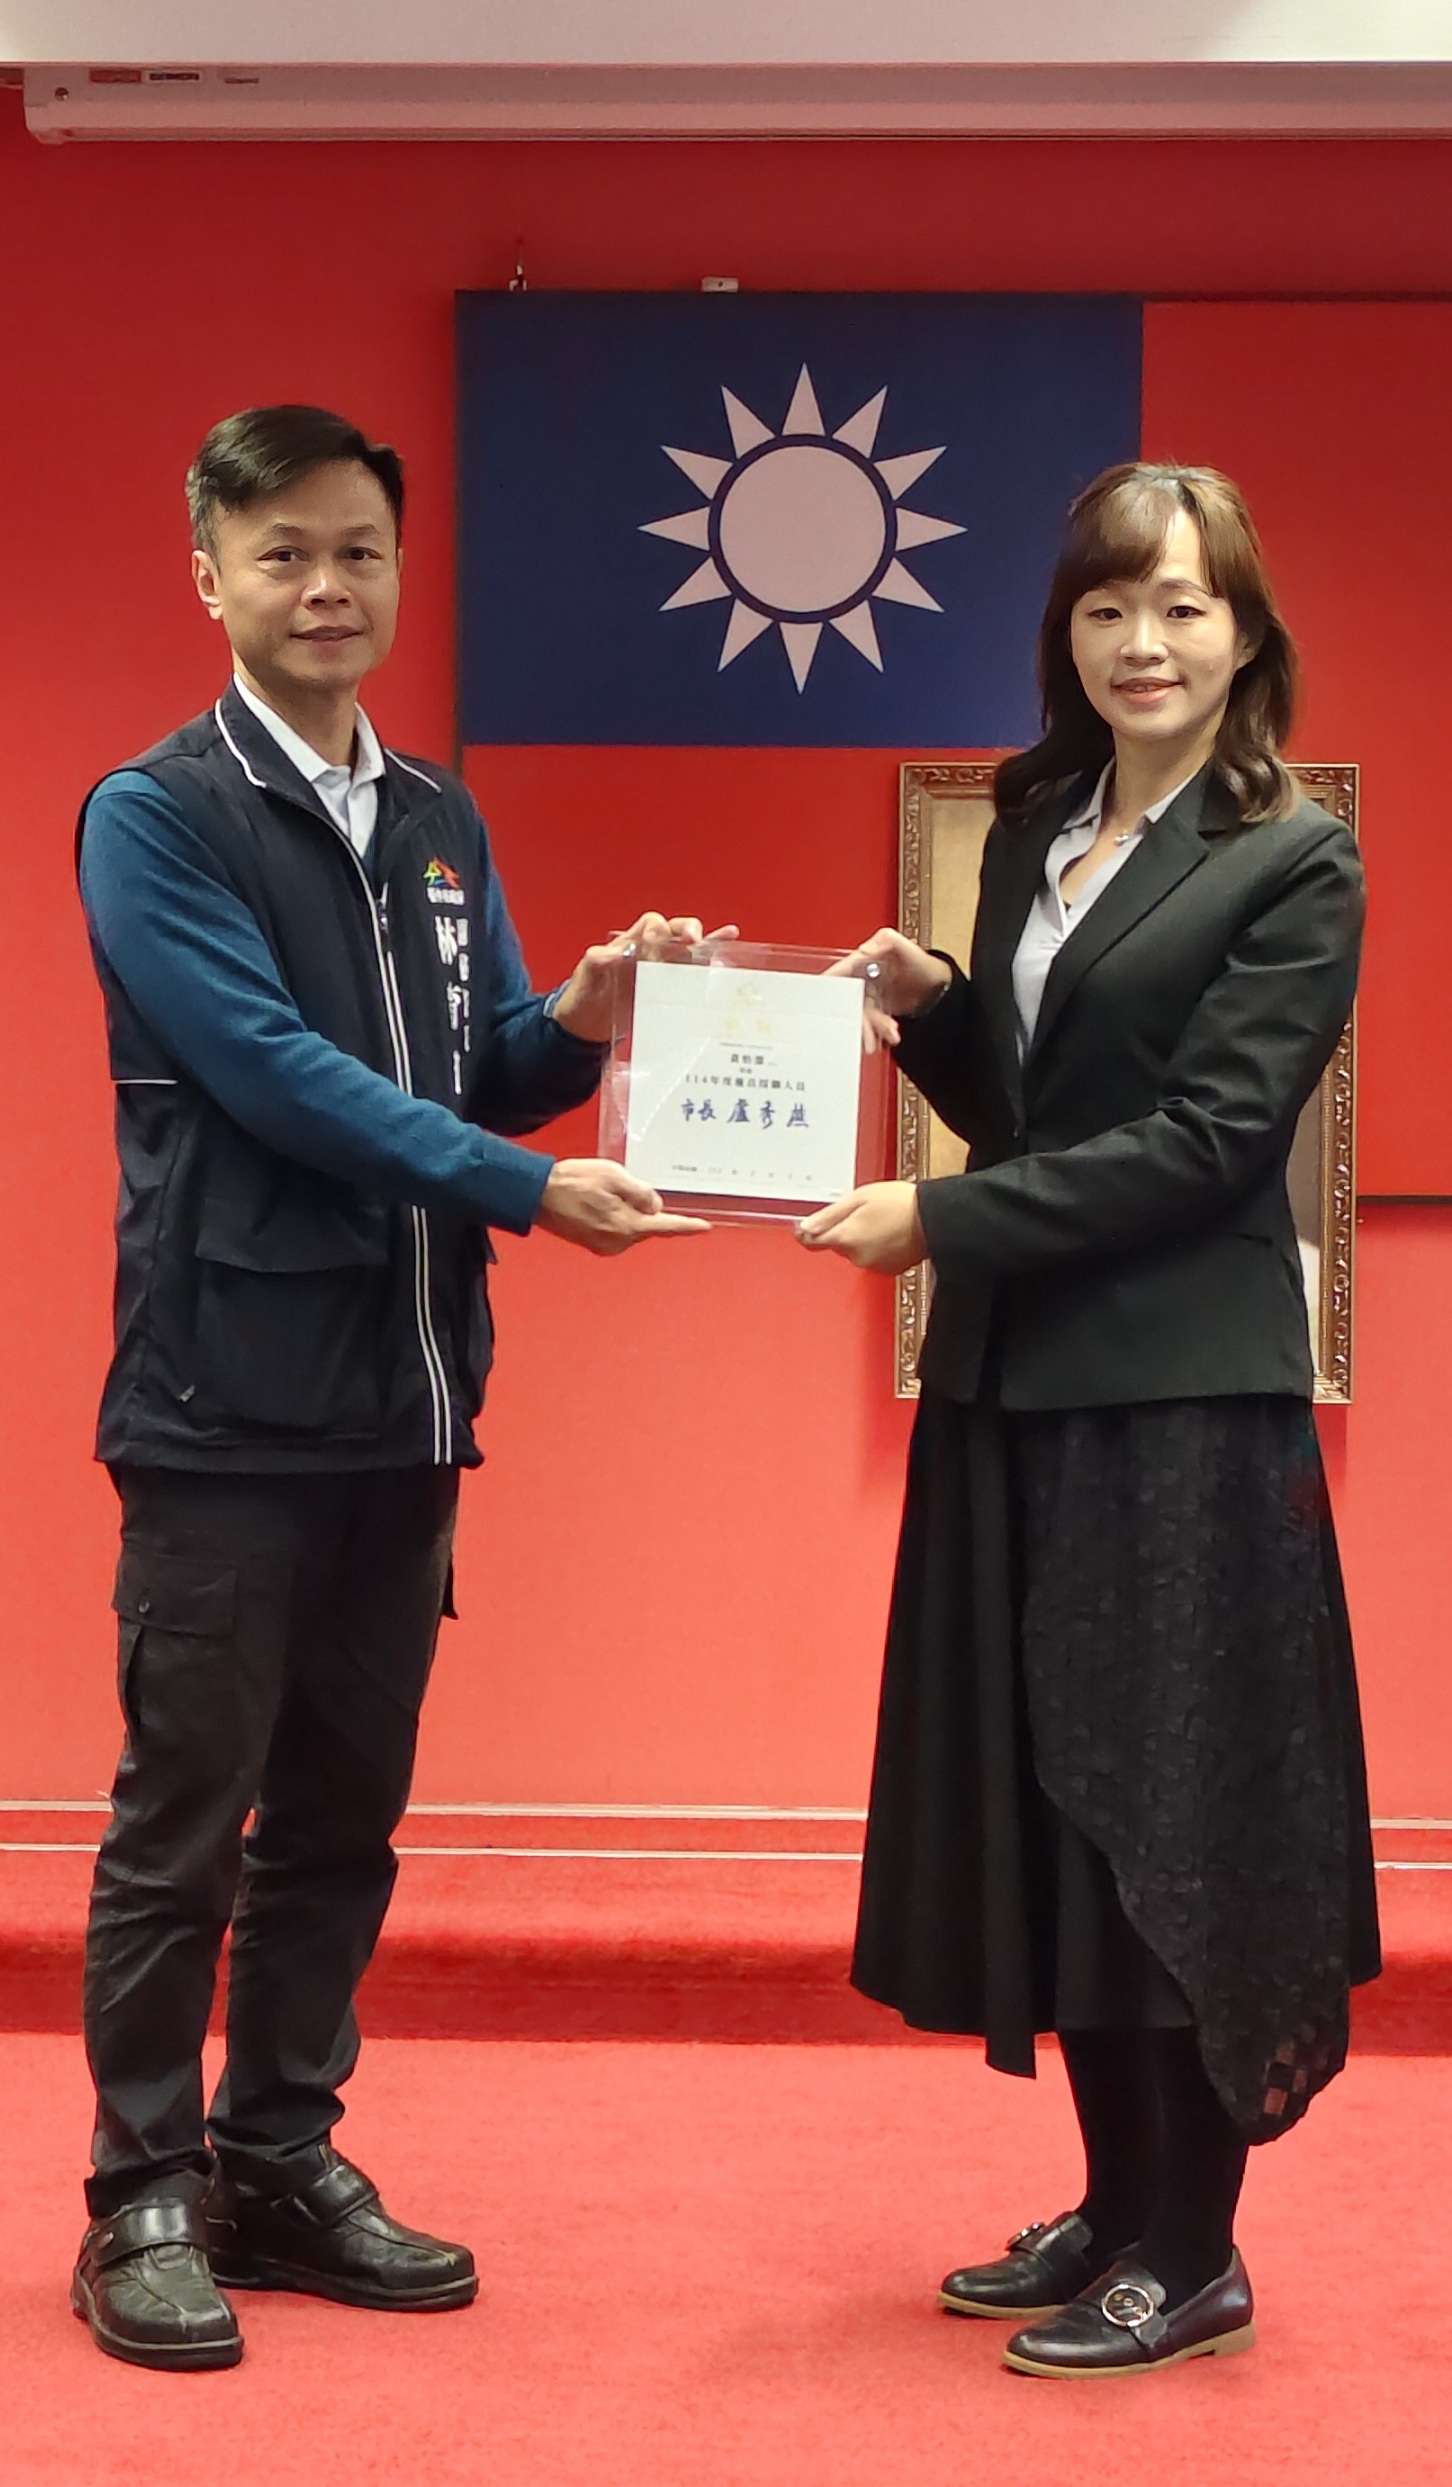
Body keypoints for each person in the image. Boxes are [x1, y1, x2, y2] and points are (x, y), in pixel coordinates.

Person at [71, 404, 717, 2372]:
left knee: (343, 1823)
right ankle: (141, 2194)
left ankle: (279, 2156)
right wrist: (526, 1186)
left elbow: (475, 1061)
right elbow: (271, 1073)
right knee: (185, 1823)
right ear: (208, 574)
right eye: (281, 552)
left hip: (411, 1397)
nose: (325, 586)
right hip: (222, 1404)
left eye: (357, 550)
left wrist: (585, 1016)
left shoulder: (438, 816)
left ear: (399, 568)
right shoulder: (155, 813)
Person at [798, 462, 1377, 2378]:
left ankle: (1194, 2247)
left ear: (1246, 634)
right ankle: (1118, 2200)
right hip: (1014, 1382)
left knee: (1177, 1811)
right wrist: (934, 1010)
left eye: (1186, 606)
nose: (1146, 642)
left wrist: (939, 1218)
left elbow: (1212, 1143)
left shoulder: (1294, 856)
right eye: (1111, 606)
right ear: (1067, 630)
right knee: (1058, 1800)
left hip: (1182, 1407)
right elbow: (1039, 1105)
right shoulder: (1040, 817)